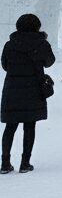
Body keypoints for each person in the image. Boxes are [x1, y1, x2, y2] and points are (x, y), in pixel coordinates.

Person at [1, 14, 56, 174]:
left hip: (12, 88)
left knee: (10, 126)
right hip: (33, 87)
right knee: (29, 126)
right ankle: (25, 163)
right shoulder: (41, 43)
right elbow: (49, 62)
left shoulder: (10, 44)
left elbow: (5, 65)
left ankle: (5, 163)